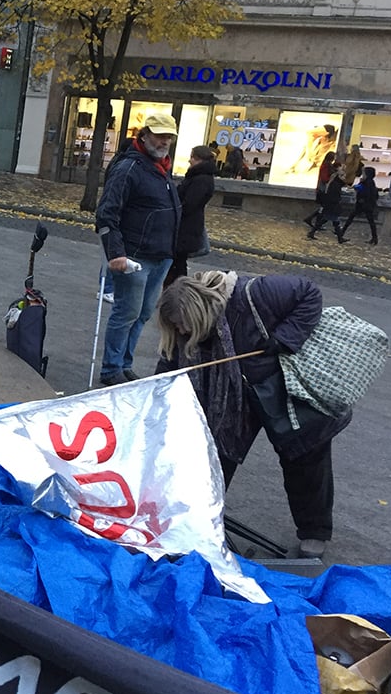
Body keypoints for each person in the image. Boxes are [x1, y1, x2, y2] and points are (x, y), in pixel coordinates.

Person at [155, 271, 351, 559]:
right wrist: (152, 393)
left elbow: (309, 293)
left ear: (196, 311)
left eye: (181, 323)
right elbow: (168, 365)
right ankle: (197, 521)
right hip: (234, 399)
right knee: (214, 453)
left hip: (284, 387)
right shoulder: (184, 332)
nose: (181, 331)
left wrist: (285, 338)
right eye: (174, 326)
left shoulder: (255, 293)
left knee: (305, 458)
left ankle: (314, 533)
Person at [94, 112, 181, 385]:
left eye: (168, 137)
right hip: (134, 256)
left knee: (142, 313)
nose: (164, 141)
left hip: (160, 256)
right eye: (159, 135)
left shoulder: (161, 167)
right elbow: (107, 214)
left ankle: (124, 364)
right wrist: (116, 253)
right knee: (127, 312)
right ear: (144, 135)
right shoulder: (129, 168)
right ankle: (112, 369)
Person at [164, 145, 217, 287]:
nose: (189, 160)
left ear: (199, 159)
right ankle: (176, 289)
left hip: (186, 226)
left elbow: (190, 204)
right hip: (187, 225)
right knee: (177, 262)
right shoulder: (199, 176)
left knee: (178, 263)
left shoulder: (201, 179)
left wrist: (175, 210)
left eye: (192, 157)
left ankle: (178, 290)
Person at [307, 164, 348, 243]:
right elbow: (333, 196)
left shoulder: (336, 184)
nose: (344, 179)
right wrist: (336, 202)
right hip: (332, 206)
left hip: (331, 206)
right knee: (334, 221)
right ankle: (340, 238)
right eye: (343, 177)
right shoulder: (335, 185)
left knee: (328, 220)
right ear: (340, 177)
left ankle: (312, 232)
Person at [341, 165, 380, 244]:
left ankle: (341, 233)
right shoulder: (369, 182)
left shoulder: (368, 182)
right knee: (370, 221)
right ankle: (374, 238)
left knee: (351, 218)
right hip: (366, 205)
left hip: (364, 204)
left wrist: (359, 186)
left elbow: (363, 190)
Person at [305, 151, 336, 225]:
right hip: (323, 189)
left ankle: (312, 219)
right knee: (324, 206)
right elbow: (324, 178)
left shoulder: (327, 165)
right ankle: (316, 221)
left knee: (323, 207)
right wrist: (332, 177)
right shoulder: (326, 166)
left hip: (323, 188)